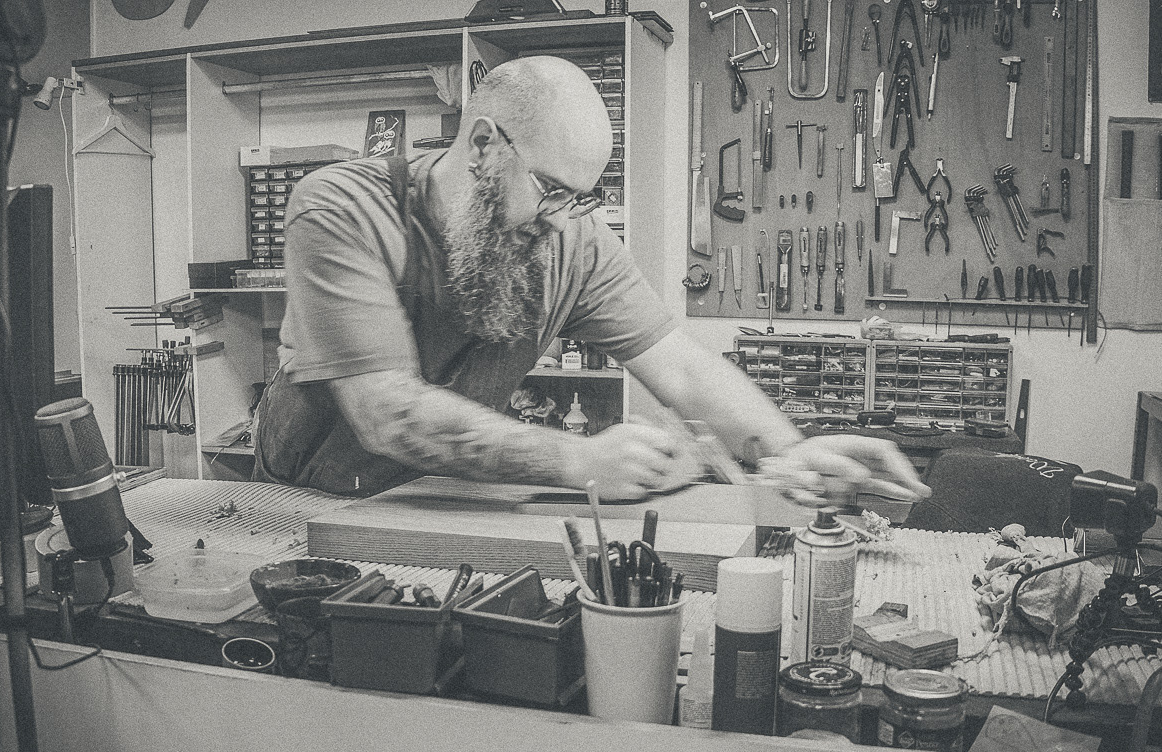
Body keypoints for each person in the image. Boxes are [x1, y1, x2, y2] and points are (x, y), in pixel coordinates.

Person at [252, 55, 930, 506]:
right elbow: (386, 412)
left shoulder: (567, 236)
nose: (564, 216)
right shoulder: (342, 206)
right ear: (485, 144)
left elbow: (682, 367)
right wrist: (576, 461)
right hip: (304, 502)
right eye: (551, 188)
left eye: (581, 195)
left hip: (445, 499)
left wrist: (792, 450)